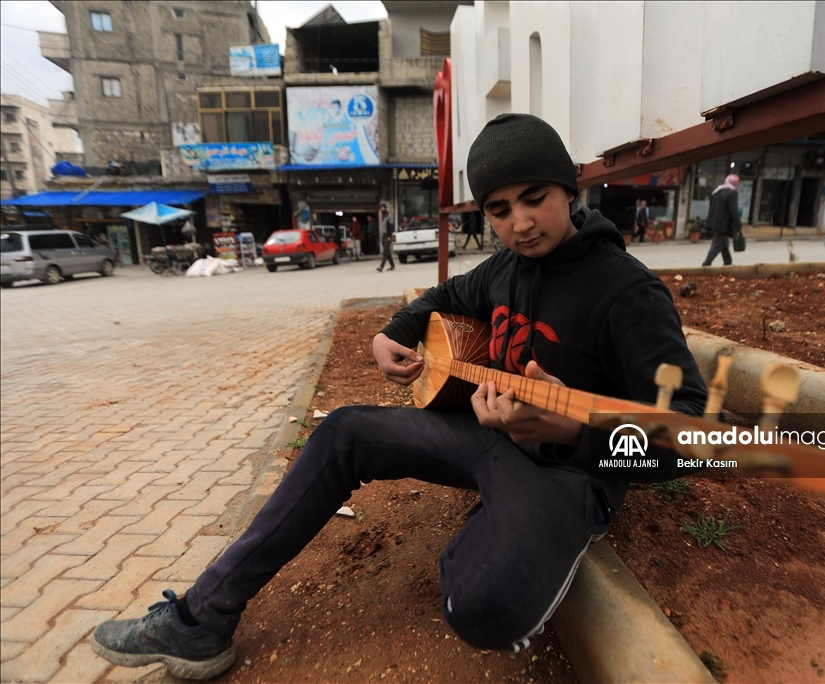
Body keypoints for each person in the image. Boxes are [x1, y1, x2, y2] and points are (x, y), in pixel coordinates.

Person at [88, 113, 708, 680]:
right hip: (489, 437)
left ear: (569, 189)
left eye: (534, 198)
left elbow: (694, 435)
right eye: (498, 209)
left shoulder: (627, 292)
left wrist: (571, 430)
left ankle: (508, 528)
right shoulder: (504, 269)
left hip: (571, 473)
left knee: (481, 609)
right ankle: (200, 618)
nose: (519, 223)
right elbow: (441, 297)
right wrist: (393, 333)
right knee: (345, 431)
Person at [701, 173, 742, 267]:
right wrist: (738, 225)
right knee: (717, 244)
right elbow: (733, 210)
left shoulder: (717, 191)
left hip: (714, 222)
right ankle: (706, 264)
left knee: (723, 244)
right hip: (724, 224)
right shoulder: (732, 192)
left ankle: (728, 262)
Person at [376, 203, 395, 272]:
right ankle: (392, 265)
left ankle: (381, 266)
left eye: (383, 208)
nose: (382, 209)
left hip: (387, 236)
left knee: (385, 252)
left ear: (385, 208)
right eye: (381, 208)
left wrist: (389, 235)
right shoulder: (381, 216)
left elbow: (391, 226)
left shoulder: (389, 216)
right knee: (387, 251)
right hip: (382, 235)